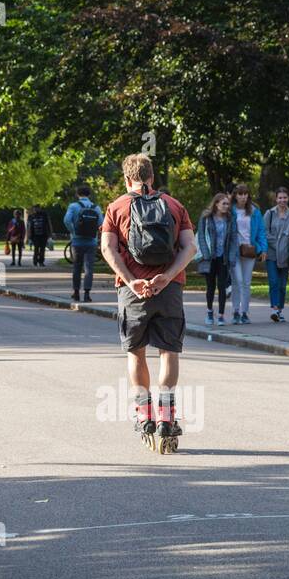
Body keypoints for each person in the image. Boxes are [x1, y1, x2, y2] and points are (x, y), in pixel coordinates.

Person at [99, 153, 196, 453]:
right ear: (152, 177)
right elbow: (190, 247)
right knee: (169, 353)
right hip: (169, 290)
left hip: (134, 292)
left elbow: (107, 248)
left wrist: (130, 280)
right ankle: (167, 417)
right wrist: (167, 276)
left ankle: (144, 415)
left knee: (136, 353)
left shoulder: (117, 207)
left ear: (127, 179)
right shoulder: (174, 206)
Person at [194, 192, 237, 327]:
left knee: (222, 287)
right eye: (223, 203)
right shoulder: (206, 217)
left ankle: (221, 315)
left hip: (223, 257)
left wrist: (231, 257)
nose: (226, 206)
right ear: (216, 204)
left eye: (227, 204)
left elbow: (233, 239)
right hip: (210, 257)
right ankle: (209, 311)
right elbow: (201, 236)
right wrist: (206, 254)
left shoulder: (230, 218)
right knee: (211, 286)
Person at [228, 183, 267, 324]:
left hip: (250, 250)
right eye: (240, 194)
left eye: (245, 194)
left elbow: (261, 231)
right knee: (237, 281)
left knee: (246, 282)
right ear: (235, 196)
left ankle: (244, 312)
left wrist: (263, 248)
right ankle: (235, 311)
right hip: (234, 251)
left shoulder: (254, 211)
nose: (243, 197)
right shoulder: (230, 211)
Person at [63, 185, 104, 302]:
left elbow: (66, 220)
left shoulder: (73, 206)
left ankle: (76, 292)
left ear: (77, 194)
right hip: (91, 242)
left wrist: (73, 231)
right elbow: (101, 224)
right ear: (89, 195)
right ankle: (87, 294)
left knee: (77, 267)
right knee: (89, 268)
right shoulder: (96, 208)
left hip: (77, 242)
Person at [263, 186, 289, 322]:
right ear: (276, 199)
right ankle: (274, 308)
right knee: (274, 282)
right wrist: (276, 244)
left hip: (286, 255)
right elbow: (264, 232)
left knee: (283, 284)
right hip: (271, 254)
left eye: (285, 197)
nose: (282, 200)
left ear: (288, 198)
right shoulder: (269, 214)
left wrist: (288, 247)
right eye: (280, 197)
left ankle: (280, 310)